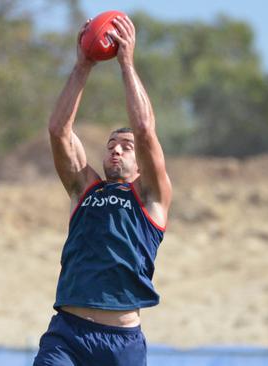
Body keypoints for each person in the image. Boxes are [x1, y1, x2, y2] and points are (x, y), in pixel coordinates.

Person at [33, 15, 172, 366]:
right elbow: (58, 131)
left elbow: (143, 128)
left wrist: (126, 63)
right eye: (112, 144)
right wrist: (82, 67)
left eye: (126, 146)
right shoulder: (85, 188)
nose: (116, 149)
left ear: (142, 160)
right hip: (67, 333)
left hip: (122, 343)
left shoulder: (150, 196)